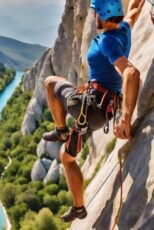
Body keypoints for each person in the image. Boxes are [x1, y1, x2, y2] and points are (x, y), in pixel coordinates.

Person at [42, 0, 146, 222]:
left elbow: (132, 73)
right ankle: (78, 207)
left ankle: (61, 130)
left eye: (96, 12)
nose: (94, 17)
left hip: (88, 107)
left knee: (50, 82)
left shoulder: (107, 42)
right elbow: (135, 11)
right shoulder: (124, 30)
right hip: (101, 112)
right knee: (67, 156)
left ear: (103, 15)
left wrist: (126, 118)